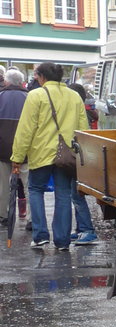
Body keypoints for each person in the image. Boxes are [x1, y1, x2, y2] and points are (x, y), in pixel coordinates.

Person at [9, 62, 89, 251]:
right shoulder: (74, 96)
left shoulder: (36, 95)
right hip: (66, 155)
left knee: (36, 190)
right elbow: (83, 127)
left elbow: (26, 129)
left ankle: (40, 235)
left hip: (41, 152)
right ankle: (62, 241)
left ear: (42, 77)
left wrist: (17, 157)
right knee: (63, 194)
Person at [66, 82, 99, 244]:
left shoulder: (79, 113)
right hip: (81, 159)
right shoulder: (84, 112)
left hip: (79, 159)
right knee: (75, 194)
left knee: (76, 195)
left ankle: (88, 230)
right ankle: (81, 229)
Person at [0, 67, 27, 229]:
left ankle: (3, 214)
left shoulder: (0, 96)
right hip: (26, 151)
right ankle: (32, 218)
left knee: (3, 185)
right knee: (29, 186)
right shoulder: (30, 97)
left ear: (7, 81)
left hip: (2, 149)